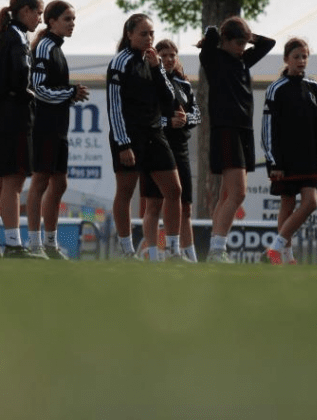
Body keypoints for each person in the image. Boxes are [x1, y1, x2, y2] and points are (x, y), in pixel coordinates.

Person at [107, 14, 185, 261]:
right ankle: (127, 251)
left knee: (174, 190)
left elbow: (169, 100)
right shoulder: (120, 62)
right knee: (126, 193)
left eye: (152, 33)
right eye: (144, 33)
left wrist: (158, 69)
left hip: (154, 133)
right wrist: (123, 143)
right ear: (129, 34)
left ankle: (172, 250)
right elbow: (114, 106)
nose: (149, 38)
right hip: (130, 136)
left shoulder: (153, 62)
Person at [198, 17, 276, 263]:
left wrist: (248, 37)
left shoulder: (243, 60)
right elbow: (210, 37)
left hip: (243, 131)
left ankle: (215, 249)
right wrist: (216, 36)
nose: (243, 48)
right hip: (226, 130)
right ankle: (217, 249)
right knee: (238, 194)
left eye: (245, 43)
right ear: (226, 41)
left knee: (226, 195)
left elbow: (269, 44)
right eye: (238, 43)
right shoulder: (213, 59)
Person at [0, 0, 45, 259]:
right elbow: (19, 77)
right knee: (13, 183)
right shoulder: (16, 38)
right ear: (25, 11)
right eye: (38, 13)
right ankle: (14, 245)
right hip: (14, 120)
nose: (39, 20)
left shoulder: (3, 36)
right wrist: (24, 93)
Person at [25, 0, 89, 260]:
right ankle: (34, 242)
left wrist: (70, 94)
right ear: (52, 21)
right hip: (44, 126)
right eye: (67, 19)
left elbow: (53, 89)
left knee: (60, 183)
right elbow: (38, 89)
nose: (72, 24)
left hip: (58, 127)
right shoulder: (44, 47)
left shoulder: (57, 49)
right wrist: (70, 92)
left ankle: (50, 243)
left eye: (73, 19)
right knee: (40, 181)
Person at [262, 38, 317, 265]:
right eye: (296, 56)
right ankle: (287, 257)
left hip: (309, 158)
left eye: (304, 56)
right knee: (287, 203)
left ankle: (274, 248)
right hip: (285, 159)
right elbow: (268, 128)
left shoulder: (315, 88)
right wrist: (274, 162)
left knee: (311, 202)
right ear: (286, 59)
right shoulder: (276, 88)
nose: (301, 61)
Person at [138, 40, 200, 262]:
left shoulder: (183, 83)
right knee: (154, 204)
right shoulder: (149, 81)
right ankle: (153, 255)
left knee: (185, 206)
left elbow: (197, 115)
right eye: (163, 55)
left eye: (173, 55)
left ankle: (189, 256)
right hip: (156, 146)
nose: (169, 59)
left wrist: (185, 120)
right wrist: (167, 121)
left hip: (180, 148)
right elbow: (146, 115)